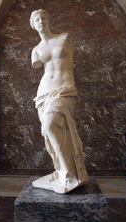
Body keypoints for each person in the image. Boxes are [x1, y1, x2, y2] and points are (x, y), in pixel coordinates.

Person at [30, 9, 89, 193]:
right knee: (49, 131)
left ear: (49, 20)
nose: (41, 21)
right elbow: (38, 65)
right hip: (44, 92)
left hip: (65, 89)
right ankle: (64, 171)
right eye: (37, 19)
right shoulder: (36, 50)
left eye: (43, 18)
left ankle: (68, 172)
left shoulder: (64, 38)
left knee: (50, 125)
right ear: (33, 25)